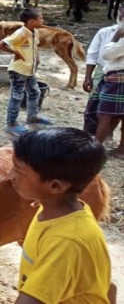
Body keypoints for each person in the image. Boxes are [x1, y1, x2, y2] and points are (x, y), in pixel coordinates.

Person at [9, 128, 116, 304]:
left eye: (19, 172)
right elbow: (109, 288)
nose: (10, 176)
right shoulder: (55, 210)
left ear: (55, 187)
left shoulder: (67, 240)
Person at [0, 8, 54, 136]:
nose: (43, 20)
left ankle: (32, 117)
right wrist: (16, 53)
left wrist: (37, 59)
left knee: (34, 92)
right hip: (18, 70)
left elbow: (35, 46)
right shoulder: (21, 33)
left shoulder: (35, 32)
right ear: (32, 21)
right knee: (17, 96)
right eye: (41, 18)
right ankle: (11, 124)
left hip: (29, 69)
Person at [83, 18, 119, 135]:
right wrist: (88, 77)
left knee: (115, 108)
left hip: (119, 76)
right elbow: (92, 54)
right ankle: (88, 133)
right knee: (93, 103)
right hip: (102, 70)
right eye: (122, 13)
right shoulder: (105, 32)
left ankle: (107, 134)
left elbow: (108, 53)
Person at [94, 23, 124, 156]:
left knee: (104, 115)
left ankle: (95, 150)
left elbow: (107, 54)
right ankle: (122, 150)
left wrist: (116, 36)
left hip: (118, 81)